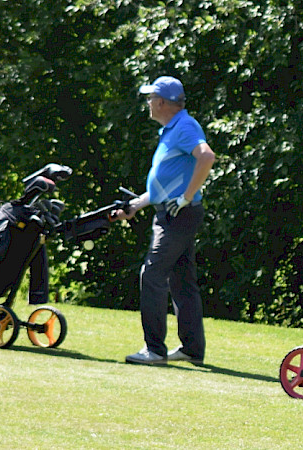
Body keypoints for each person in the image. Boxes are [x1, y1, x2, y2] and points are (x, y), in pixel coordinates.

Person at [111, 76, 216, 366]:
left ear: (160, 102)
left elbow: (206, 157)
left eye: (150, 98)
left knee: (152, 275)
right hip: (172, 211)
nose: (147, 103)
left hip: (178, 215)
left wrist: (186, 196)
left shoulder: (184, 126)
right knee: (182, 281)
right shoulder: (172, 129)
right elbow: (163, 184)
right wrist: (136, 205)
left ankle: (154, 350)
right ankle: (192, 349)